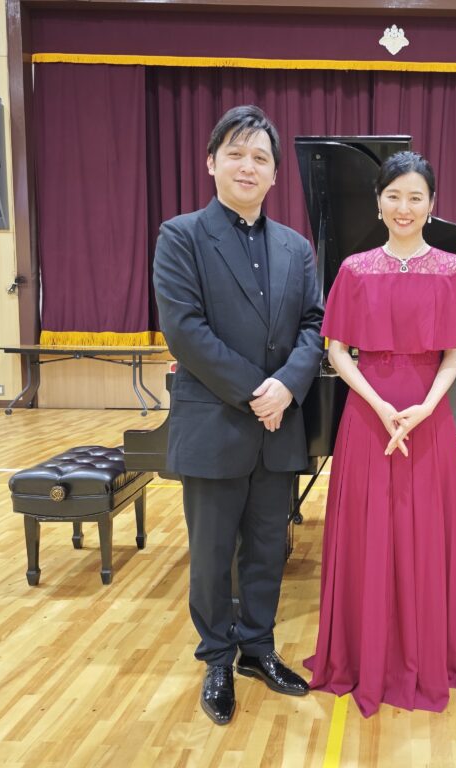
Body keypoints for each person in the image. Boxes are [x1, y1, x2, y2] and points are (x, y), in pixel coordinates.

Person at [153, 105, 324, 725]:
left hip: (279, 427)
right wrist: (261, 391)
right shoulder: (181, 236)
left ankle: (257, 647)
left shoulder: (296, 247)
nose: (247, 166)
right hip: (217, 423)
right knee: (211, 552)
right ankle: (217, 657)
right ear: (211, 163)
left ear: (275, 174)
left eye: (260, 158)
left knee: (267, 549)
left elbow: (314, 324)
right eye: (236, 154)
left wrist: (289, 386)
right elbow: (185, 330)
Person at [304, 151, 456, 717]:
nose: (404, 207)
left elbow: (454, 354)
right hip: (367, 414)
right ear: (378, 202)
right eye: (394, 196)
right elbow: (337, 350)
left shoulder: (455, 271)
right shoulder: (354, 269)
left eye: (415, 197)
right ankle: (363, 655)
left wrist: (425, 407)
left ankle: (424, 655)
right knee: (367, 534)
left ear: (432, 204)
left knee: (426, 534)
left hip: (429, 418)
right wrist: (379, 404)